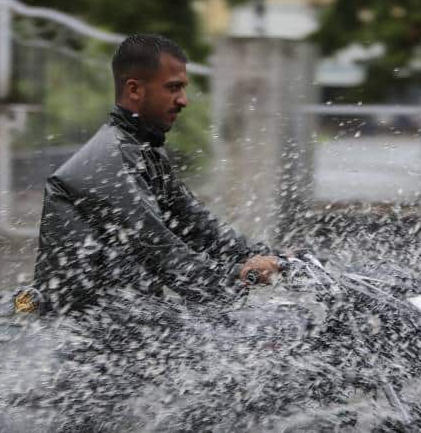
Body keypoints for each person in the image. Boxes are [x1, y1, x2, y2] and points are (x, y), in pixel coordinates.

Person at [33, 34, 281, 314]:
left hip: (131, 318)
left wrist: (272, 256)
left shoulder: (143, 149)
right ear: (135, 90)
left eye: (183, 88)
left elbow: (199, 227)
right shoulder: (110, 159)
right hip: (83, 330)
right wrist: (239, 275)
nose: (184, 100)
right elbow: (160, 252)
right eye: (173, 88)